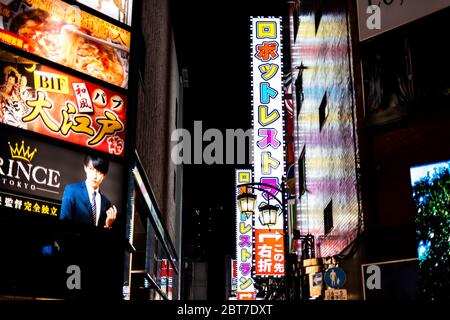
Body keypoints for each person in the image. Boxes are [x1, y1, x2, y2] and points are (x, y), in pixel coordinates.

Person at [60, 154, 117, 228]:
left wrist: (107, 225)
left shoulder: (106, 202)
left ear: (104, 175)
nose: (94, 176)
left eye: (99, 172)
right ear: (85, 168)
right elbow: (64, 223)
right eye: (91, 169)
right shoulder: (71, 191)